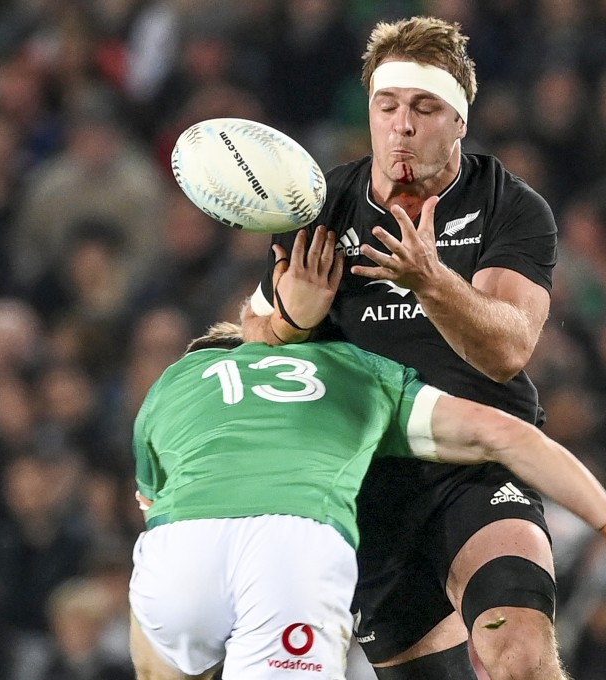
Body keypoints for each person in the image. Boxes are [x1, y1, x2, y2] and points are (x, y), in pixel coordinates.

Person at [131, 227, 606, 680]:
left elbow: (151, 498)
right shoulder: (353, 369)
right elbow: (508, 435)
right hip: (295, 543)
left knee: (161, 635)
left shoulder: (175, 382)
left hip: (181, 548)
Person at [242, 15, 568, 680]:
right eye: (386, 105)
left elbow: (508, 349)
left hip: (477, 465)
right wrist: (292, 322)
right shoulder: (319, 207)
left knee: (520, 648)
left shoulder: (508, 205)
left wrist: (431, 281)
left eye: (425, 107)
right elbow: (253, 349)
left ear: (459, 120)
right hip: (364, 494)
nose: (403, 125)